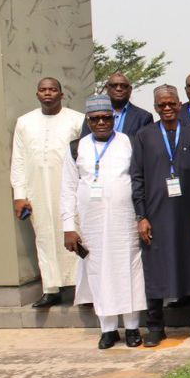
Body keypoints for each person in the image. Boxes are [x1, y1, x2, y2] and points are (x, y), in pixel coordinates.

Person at [130, 86, 190, 345]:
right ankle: (156, 326)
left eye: (171, 104)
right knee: (156, 268)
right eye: (161, 105)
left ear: (180, 104)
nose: (167, 108)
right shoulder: (144, 136)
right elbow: (137, 177)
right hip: (157, 214)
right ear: (155, 107)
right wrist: (141, 216)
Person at [62, 97, 146, 349]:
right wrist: (68, 227)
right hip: (92, 224)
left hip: (125, 221)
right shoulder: (76, 147)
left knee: (129, 271)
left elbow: (140, 181)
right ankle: (108, 329)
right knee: (99, 272)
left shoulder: (128, 143)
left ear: (113, 118)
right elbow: (66, 189)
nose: (101, 123)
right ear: (88, 121)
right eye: (95, 119)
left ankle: (132, 328)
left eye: (106, 118)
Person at [11, 77, 85, 308]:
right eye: (43, 90)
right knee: (44, 237)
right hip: (37, 190)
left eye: (53, 90)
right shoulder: (24, 122)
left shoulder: (77, 120)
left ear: (61, 95)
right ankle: (50, 288)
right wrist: (19, 194)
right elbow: (19, 159)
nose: (48, 93)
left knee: (75, 232)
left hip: (69, 187)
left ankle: (82, 290)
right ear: (37, 94)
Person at [81, 72, 152, 138]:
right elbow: (84, 141)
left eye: (123, 86)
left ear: (130, 89)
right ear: (106, 88)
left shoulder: (144, 117)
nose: (118, 89)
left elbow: (145, 146)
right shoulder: (93, 115)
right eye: (114, 85)